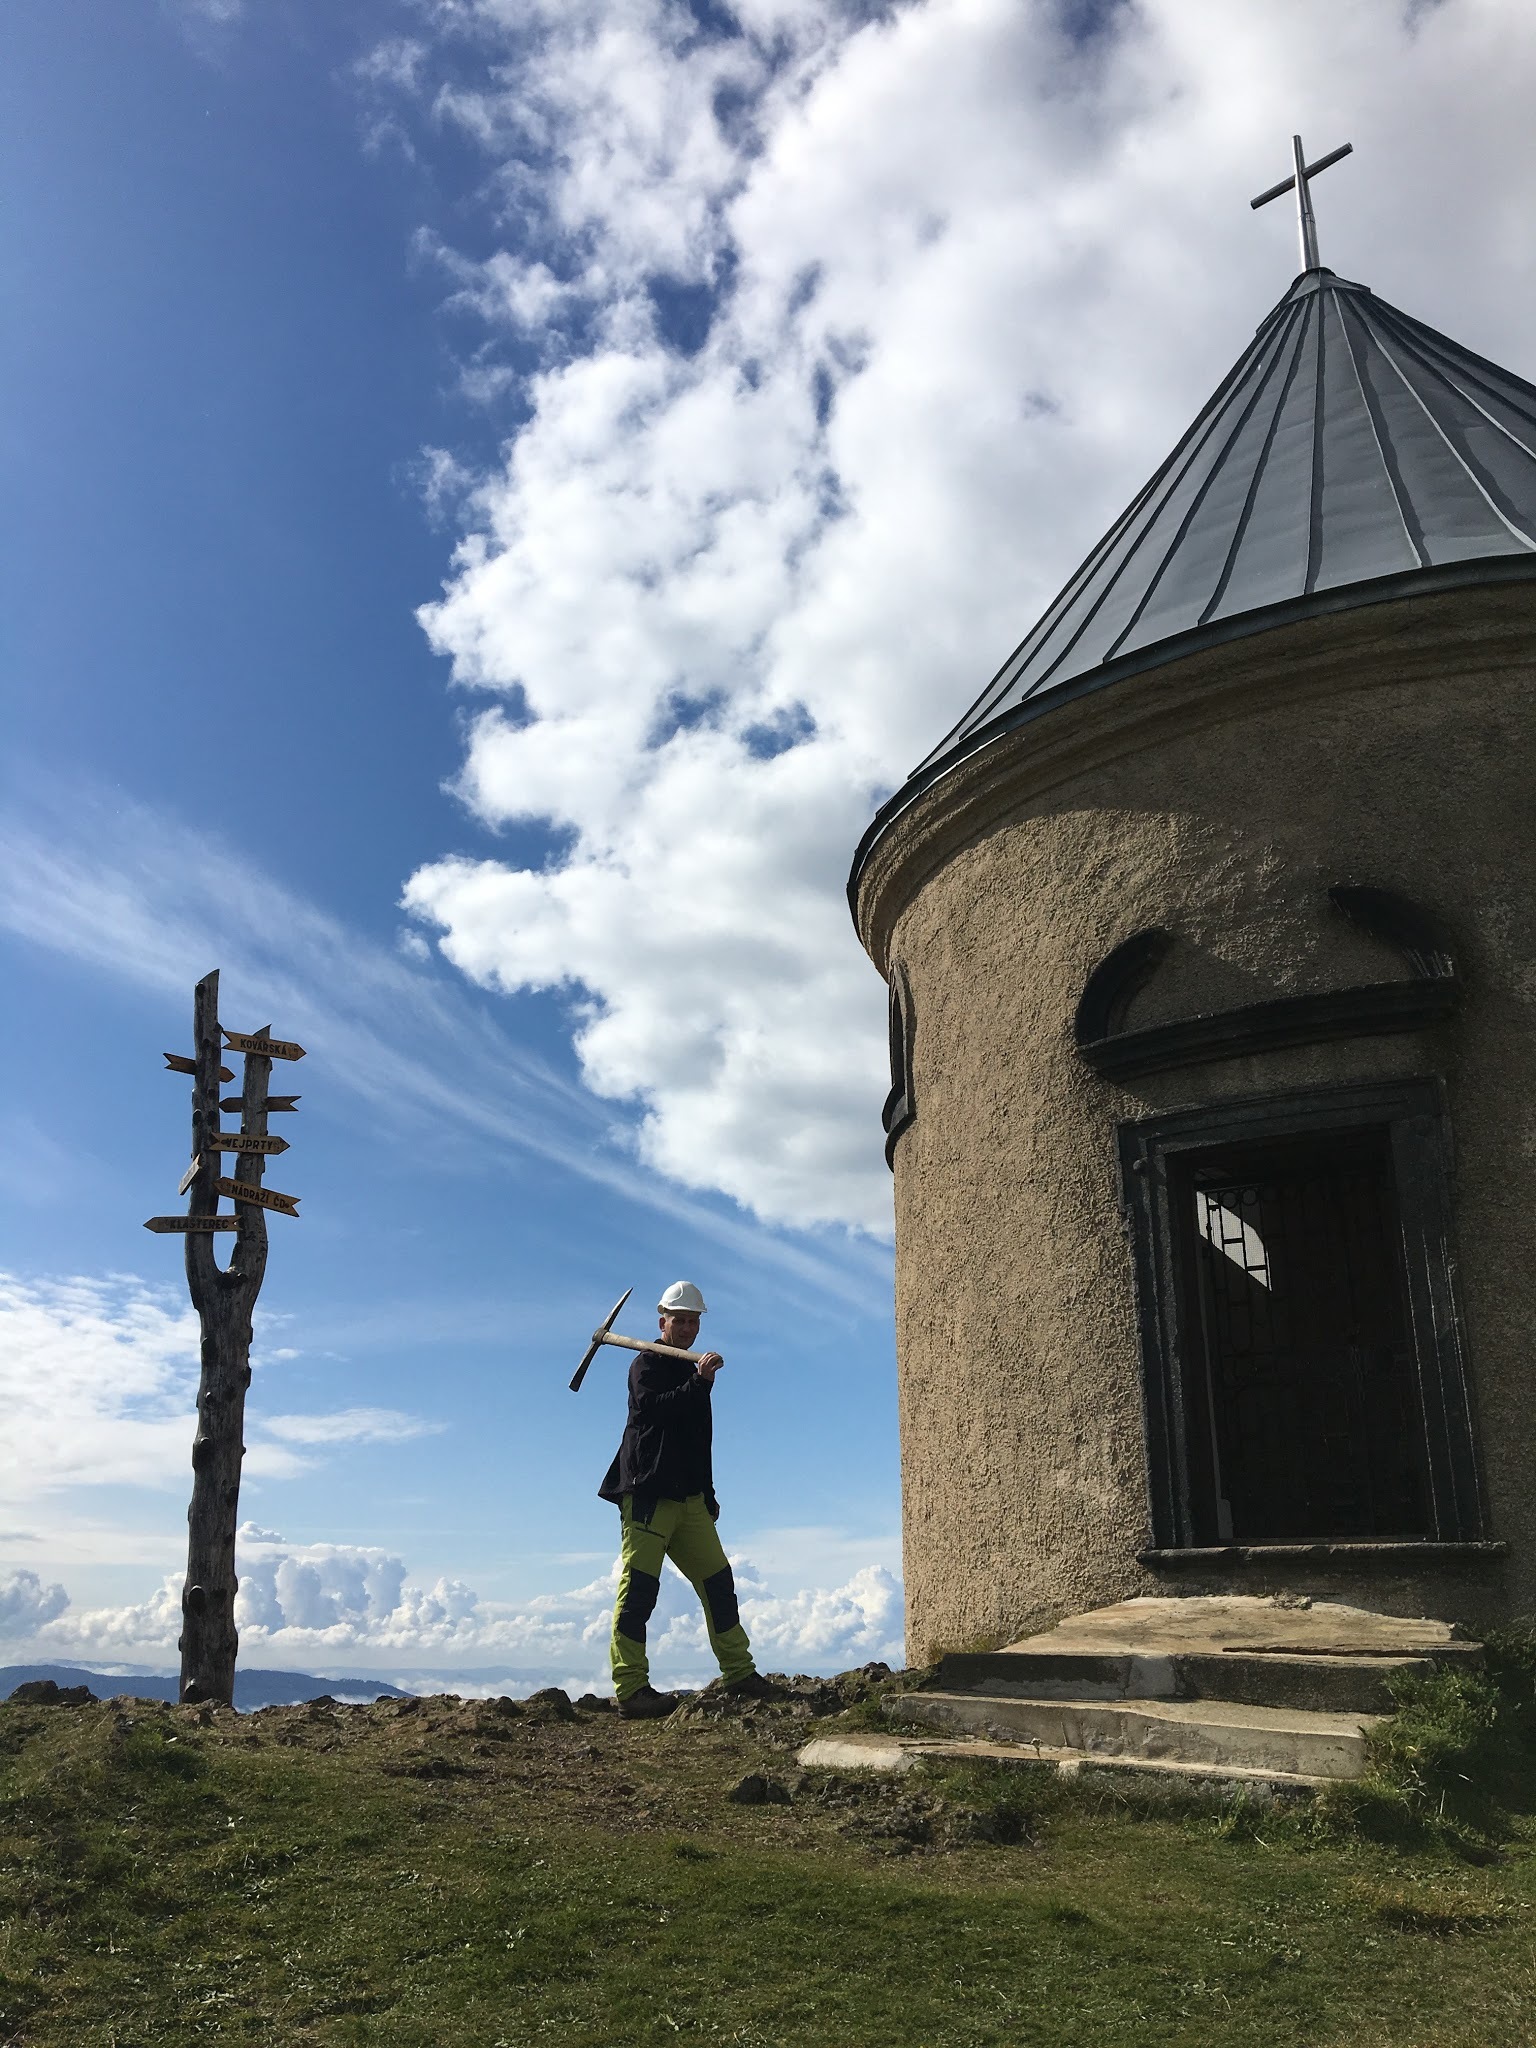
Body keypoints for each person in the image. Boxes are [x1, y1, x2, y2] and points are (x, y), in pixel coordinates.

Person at [599, 1281, 775, 1719]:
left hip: (690, 1499)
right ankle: (631, 1690)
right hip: (647, 1493)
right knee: (639, 1590)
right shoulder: (645, 1364)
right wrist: (699, 1383)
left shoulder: (693, 1372)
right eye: (679, 1320)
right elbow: (654, 1411)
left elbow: (700, 1440)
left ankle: (739, 1672)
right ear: (663, 1322)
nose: (687, 1328)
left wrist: (708, 1493)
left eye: (693, 1321)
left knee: (718, 1582)